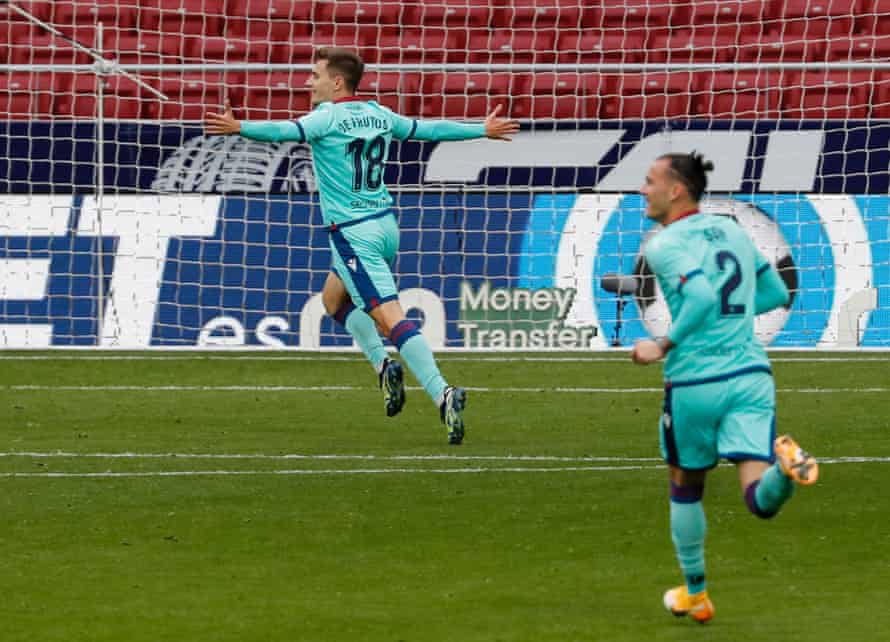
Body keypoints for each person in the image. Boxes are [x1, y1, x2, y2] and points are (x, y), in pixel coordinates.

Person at [204, 47, 519, 444]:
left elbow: (285, 131)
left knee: (391, 320)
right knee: (333, 302)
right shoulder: (379, 113)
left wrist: (240, 128)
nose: (307, 82)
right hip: (384, 226)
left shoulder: (326, 117)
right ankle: (383, 366)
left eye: (315, 75)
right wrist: (481, 130)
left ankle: (443, 393)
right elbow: (429, 130)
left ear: (337, 82)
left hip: (353, 233)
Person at [631, 152, 819, 622]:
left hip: (696, 380)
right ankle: (785, 469)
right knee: (758, 498)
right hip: (752, 376)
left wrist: (663, 343)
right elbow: (777, 292)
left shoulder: (663, 243)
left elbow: (698, 295)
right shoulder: (734, 230)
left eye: (650, 181)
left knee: (686, 483)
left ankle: (697, 593)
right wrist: (727, 322)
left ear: (676, 190)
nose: (643, 189)